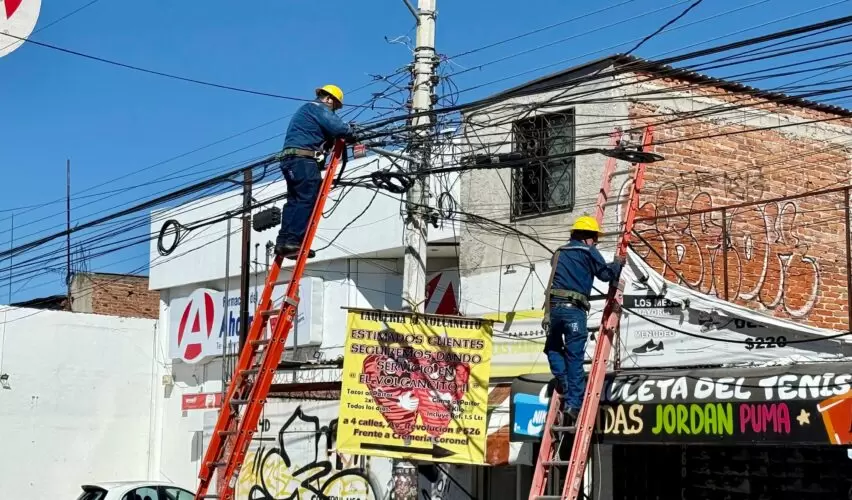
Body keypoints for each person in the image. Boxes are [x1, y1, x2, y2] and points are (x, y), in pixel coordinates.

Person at [542, 215, 625, 424]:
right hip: (574, 311)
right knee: (574, 356)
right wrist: (617, 264)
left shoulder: (559, 252)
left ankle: (565, 382)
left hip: (553, 311)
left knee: (552, 348)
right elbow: (605, 275)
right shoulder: (589, 251)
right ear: (588, 237)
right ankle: (573, 404)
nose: (595, 242)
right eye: (595, 238)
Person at [275, 84, 357, 259]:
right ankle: (293, 242)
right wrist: (351, 131)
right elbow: (338, 128)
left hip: (291, 160)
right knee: (307, 198)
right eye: (334, 106)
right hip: (304, 161)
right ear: (328, 99)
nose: (333, 111)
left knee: (294, 200)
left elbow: (326, 136)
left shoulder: (306, 112)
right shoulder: (318, 108)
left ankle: (283, 243)